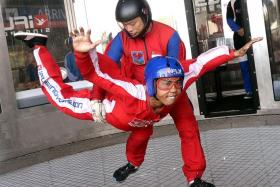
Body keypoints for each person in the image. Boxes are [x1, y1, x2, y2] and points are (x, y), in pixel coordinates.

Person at [14, 29, 262, 186]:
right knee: (61, 98)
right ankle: (38, 45)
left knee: (144, 134)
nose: (174, 90)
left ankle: (154, 170)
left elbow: (200, 63)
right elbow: (98, 73)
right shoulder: (132, 90)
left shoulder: (177, 79)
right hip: (114, 110)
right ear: (152, 85)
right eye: (166, 84)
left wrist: (233, 52)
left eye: (177, 83)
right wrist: (83, 56)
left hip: (145, 119)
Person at [87, 0, 208, 185]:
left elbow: (175, 70)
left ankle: (195, 178)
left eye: (133, 22)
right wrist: (97, 98)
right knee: (141, 133)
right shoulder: (121, 39)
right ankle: (133, 163)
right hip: (139, 95)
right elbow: (104, 69)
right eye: (124, 24)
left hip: (168, 90)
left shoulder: (169, 36)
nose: (129, 29)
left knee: (189, 128)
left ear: (145, 14)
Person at [226, 0, 253, 99]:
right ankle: (249, 91)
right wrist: (238, 29)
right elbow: (229, 19)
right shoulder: (232, 2)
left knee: (257, 63)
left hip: (254, 35)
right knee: (245, 67)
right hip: (240, 39)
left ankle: (260, 91)